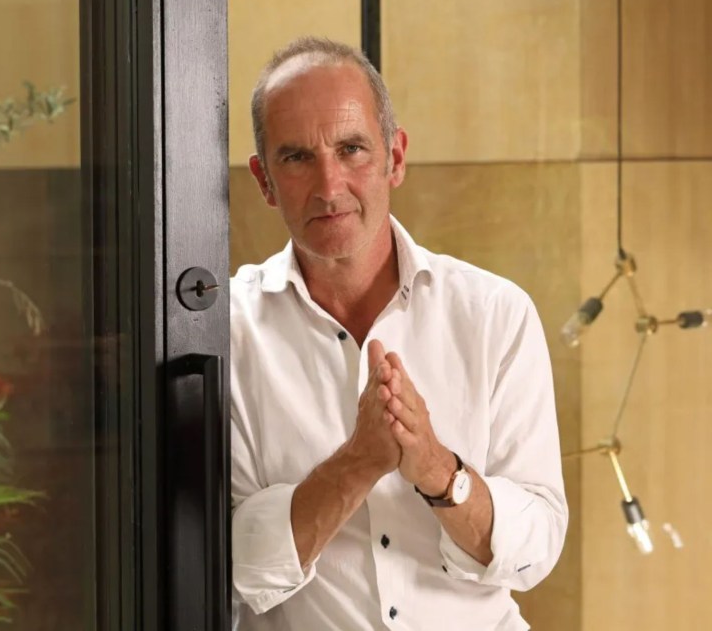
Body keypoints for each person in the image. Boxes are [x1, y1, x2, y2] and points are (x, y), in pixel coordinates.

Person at [230, 37, 567, 631]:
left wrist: (439, 471)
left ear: (396, 156)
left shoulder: (497, 314)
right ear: (263, 180)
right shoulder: (226, 332)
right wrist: (358, 463)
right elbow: (232, 566)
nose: (329, 186)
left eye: (352, 148)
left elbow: (536, 546)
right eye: (297, 158)